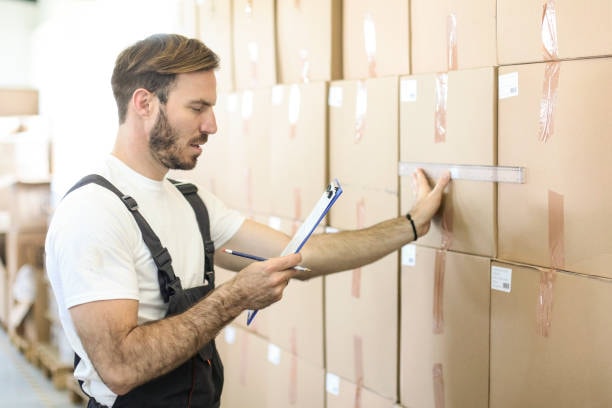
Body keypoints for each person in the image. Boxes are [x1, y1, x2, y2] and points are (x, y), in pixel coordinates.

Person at [45, 33, 451, 408]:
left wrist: (412, 224)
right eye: (198, 108)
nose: (212, 126)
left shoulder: (191, 203)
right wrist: (235, 296)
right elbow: (120, 368)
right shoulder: (94, 213)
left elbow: (303, 256)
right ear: (145, 103)